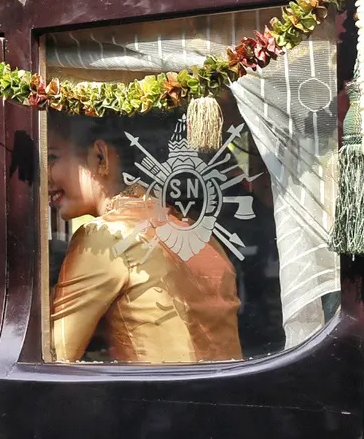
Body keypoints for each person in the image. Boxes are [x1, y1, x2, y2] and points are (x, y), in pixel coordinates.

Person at [47, 112, 242, 364]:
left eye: (52, 157)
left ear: (100, 156)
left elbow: (54, 356)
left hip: (159, 400)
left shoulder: (107, 235)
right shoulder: (197, 233)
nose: (44, 174)